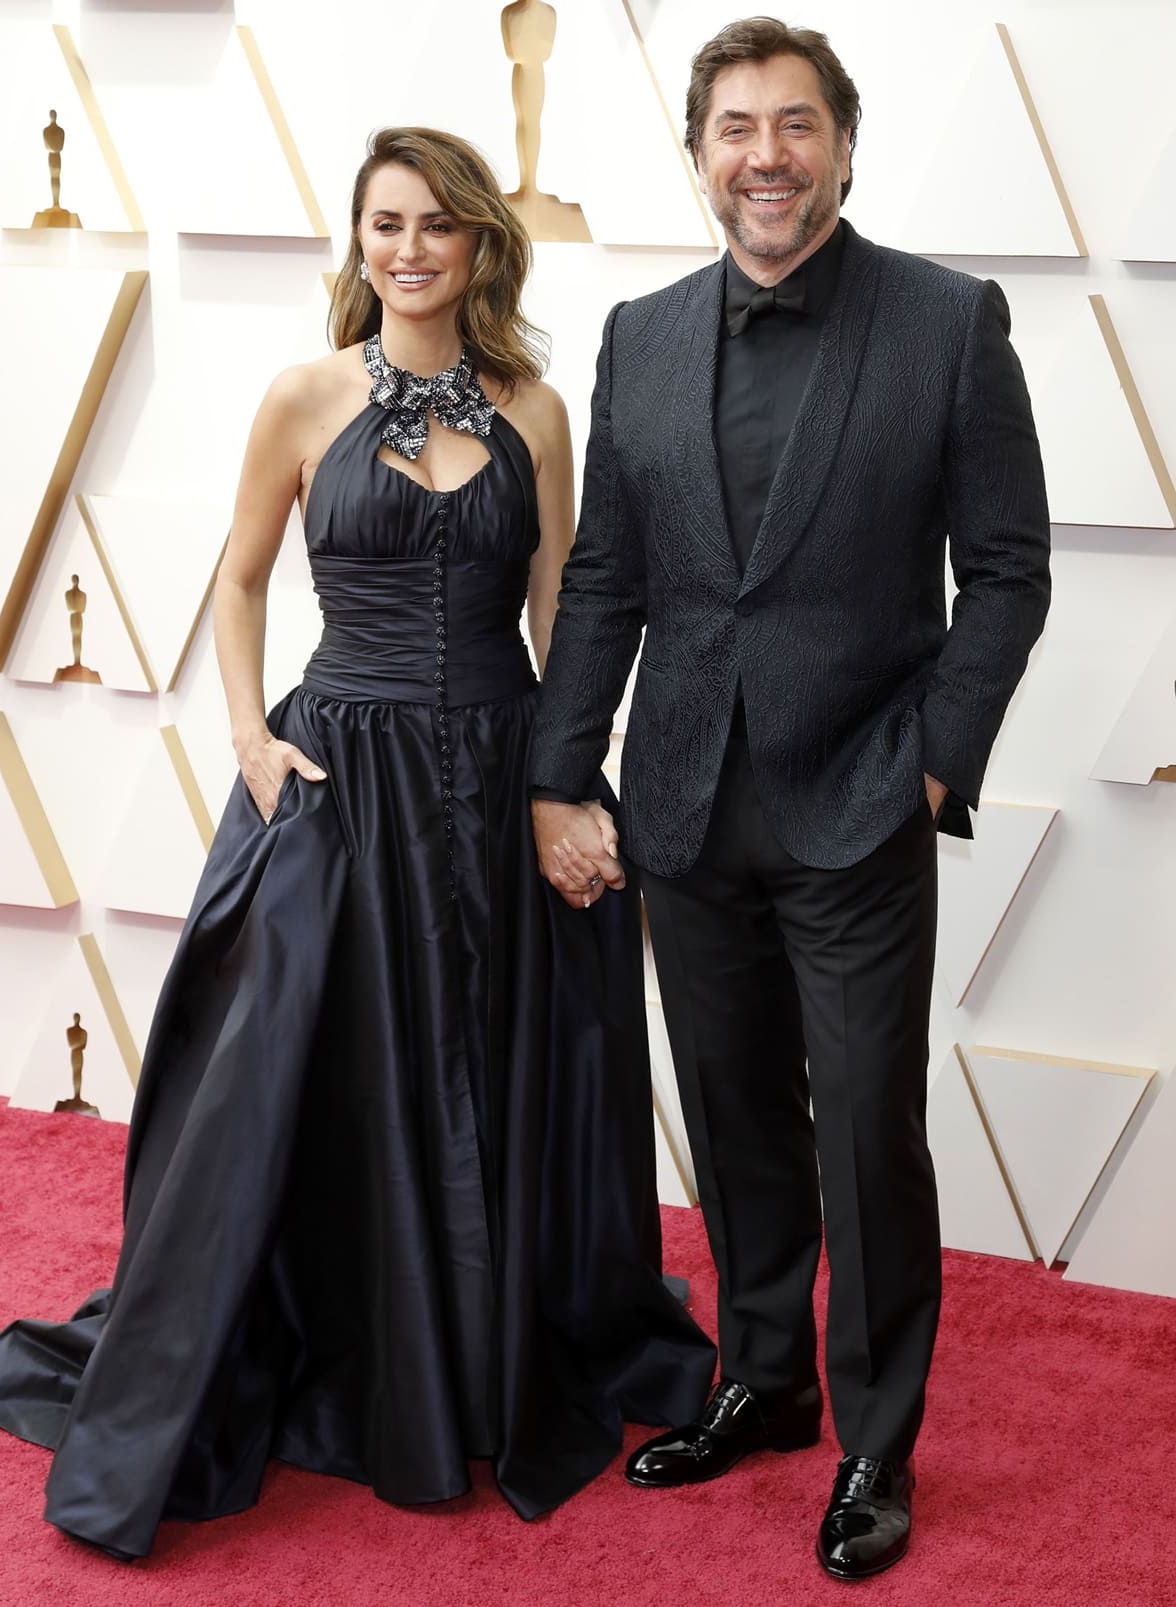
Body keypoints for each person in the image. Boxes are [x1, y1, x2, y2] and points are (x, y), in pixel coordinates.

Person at [0, 126, 715, 1561]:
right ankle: (368, 1345)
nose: (411, 249)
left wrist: (577, 777)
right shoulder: (303, 396)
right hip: (348, 769)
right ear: (358, 239)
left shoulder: (538, 410)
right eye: (386, 224)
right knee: (328, 1074)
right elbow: (243, 579)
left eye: (438, 225)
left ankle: (490, 1346)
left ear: (479, 242)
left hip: (502, 773)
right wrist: (251, 740)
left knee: (502, 1062)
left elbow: (562, 609)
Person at [529, 17, 1050, 1583]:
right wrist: (564, 772)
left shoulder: (949, 324)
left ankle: (877, 1442)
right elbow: (610, 572)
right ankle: (764, 1379)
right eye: (738, 128)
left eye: (797, 124)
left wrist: (936, 760)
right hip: (684, 803)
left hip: (858, 801)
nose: (768, 153)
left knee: (867, 1136)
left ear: (843, 142)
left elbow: (1009, 571)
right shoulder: (642, 332)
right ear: (699, 157)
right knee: (739, 1113)